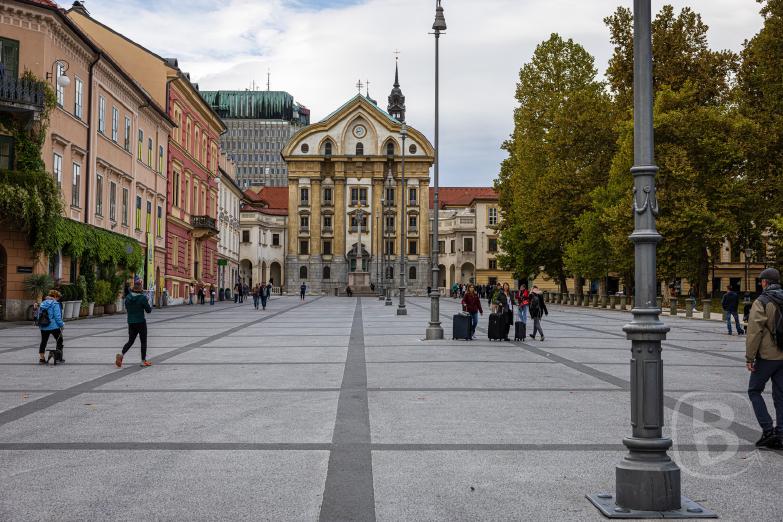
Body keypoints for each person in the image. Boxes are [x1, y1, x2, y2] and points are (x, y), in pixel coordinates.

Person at [745, 268, 783, 449]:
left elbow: (754, 331)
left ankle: (768, 430)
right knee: (781, 395)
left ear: (765, 282)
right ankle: (781, 434)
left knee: (754, 390)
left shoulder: (762, 301)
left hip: (768, 356)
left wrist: (750, 357)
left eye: (761, 281)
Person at [116, 280, 153, 368]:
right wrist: (147, 301)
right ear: (140, 288)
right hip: (140, 322)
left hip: (131, 322)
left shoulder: (128, 297)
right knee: (143, 341)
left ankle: (121, 354)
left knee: (131, 341)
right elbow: (149, 311)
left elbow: (127, 308)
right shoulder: (142, 298)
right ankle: (143, 361)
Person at [37, 290, 65, 364]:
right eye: (58, 297)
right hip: (54, 326)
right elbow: (57, 317)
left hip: (44, 325)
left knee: (43, 341)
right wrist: (62, 325)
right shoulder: (55, 304)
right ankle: (58, 358)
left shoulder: (42, 303)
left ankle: (42, 359)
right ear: (55, 296)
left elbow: (38, 315)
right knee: (59, 340)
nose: (58, 299)